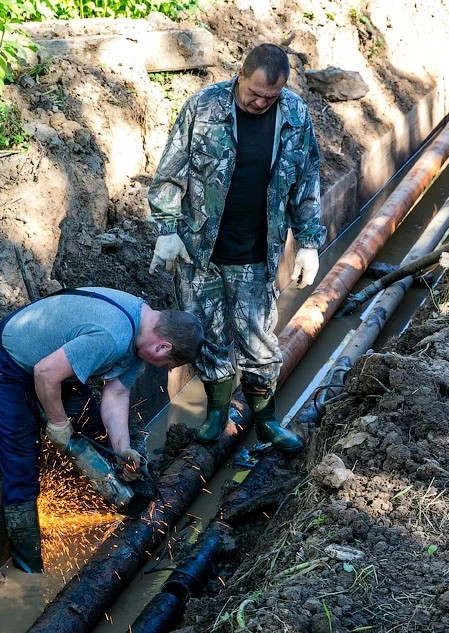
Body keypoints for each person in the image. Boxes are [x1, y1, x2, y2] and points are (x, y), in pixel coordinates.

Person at [147, 43, 327, 454]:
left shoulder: (296, 116)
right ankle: (217, 413)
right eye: (255, 92)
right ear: (240, 75)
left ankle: (266, 423)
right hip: (199, 254)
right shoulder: (204, 107)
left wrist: (308, 244)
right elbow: (169, 173)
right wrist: (168, 229)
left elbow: (307, 184)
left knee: (260, 345)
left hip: (255, 255)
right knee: (205, 339)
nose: (261, 102)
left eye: (271, 96)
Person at [0, 287, 204, 573]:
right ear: (163, 347)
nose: (163, 368)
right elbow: (45, 374)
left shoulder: (142, 329)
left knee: (97, 432)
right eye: (167, 365)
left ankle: (107, 506)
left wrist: (122, 449)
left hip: (55, 361)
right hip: (10, 362)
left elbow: (117, 395)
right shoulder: (111, 338)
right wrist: (59, 423)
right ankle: (29, 567)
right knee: (21, 459)